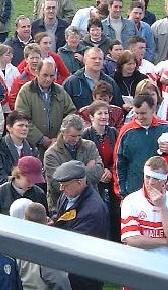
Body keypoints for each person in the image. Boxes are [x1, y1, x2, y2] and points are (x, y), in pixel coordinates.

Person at [52, 160, 109, 290]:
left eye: (64, 185)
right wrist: (54, 221)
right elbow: (62, 216)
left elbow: (75, 243)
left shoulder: (93, 210)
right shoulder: (67, 195)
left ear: (79, 182)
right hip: (70, 269)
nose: (61, 189)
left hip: (84, 275)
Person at [120, 156, 168, 259]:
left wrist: (162, 206)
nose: (150, 182)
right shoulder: (130, 200)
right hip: (138, 264)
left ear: (164, 180)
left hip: (167, 266)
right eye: (147, 177)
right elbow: (132, 240)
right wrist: (166, 241)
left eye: (156, 178)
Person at [114, 93, 168, 198]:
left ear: (153, 109)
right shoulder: (126, 131)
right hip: (134, 191)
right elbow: (119, 163)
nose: (139, 117)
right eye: (136, 113)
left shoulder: (167, 129)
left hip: (162, 190)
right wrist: (122, 193)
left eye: (143, 113)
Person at [43, 114, 103, 214]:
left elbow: (98, 173)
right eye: (73, 136)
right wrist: (86, 169)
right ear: (62, 132)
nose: (76, 139)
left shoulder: (89, 146)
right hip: (62, 207)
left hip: (90, 205)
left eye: (79, 135)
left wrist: (68, 176)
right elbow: (57, 184)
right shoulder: (51, 154)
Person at [15, 61, 76, 155]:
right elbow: (21, 118)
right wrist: (42, 140)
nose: (48, 79)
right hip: (32, 147)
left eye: (52, 76)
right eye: (45, 75)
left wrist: (60, 137)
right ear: (37, 73)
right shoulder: (26, 91)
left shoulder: (60, 91)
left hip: (59, 146)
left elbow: (71, 114)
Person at [82, 100, 120, 241]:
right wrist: (98, 171)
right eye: (100, 113)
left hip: (111, 178)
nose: (104, 116)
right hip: (94, 180)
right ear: (91, 117)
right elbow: (86, 159)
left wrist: (110, 170)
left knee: (114, 213)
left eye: (106, 113)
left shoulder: (113, 133)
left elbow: (117, 156)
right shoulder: (85, 135)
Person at [0, 110, 37, 190]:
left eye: (26, 126)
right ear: (9, 127)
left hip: (29, 193)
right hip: (4, 194)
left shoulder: (32, 149)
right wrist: (21, 183)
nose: (24, 129)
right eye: (20, 125)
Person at [8, 43, 42, 109]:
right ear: (26, 59)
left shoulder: (47, 76)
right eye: (32, 58)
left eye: (37, 58)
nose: (35, 61)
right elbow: (12, 100)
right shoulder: (19, 80)